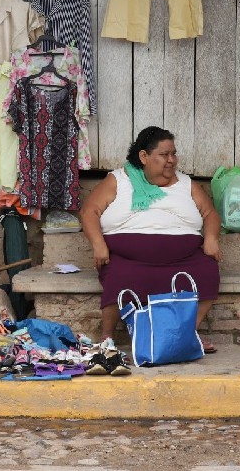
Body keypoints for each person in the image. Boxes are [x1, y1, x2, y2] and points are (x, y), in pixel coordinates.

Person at [78, 126, 222, 353]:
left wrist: (211, 238)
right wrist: (98, 245)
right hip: (129, 259)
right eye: (164, 155)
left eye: (173, 154)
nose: (171, 160)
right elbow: (89, 212)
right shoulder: (118, 180)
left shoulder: (186, 184)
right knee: (118, 274)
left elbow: (210, 213)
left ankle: (185, 334)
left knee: (207, 270)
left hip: (183, 259)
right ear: (144, 156)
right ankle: (107, 337)